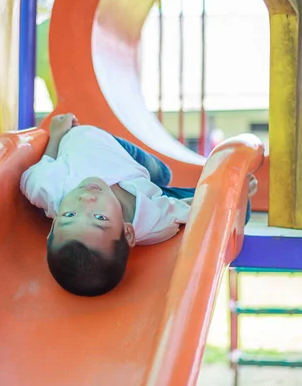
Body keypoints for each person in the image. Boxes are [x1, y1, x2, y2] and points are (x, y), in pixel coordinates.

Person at [20, 113, 257, 297]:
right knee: (173, 189)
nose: (85, 202)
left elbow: (36, 169)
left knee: (161, 171)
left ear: (53, 226)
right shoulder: (153, 220)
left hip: (103, 143)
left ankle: (160, 177)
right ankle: (161, 182)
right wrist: (235, 192)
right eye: (100, 219)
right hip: (137, 179)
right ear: (127, 231)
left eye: (70, 214)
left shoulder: (47, 188)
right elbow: (200, 211)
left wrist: (58, 134)